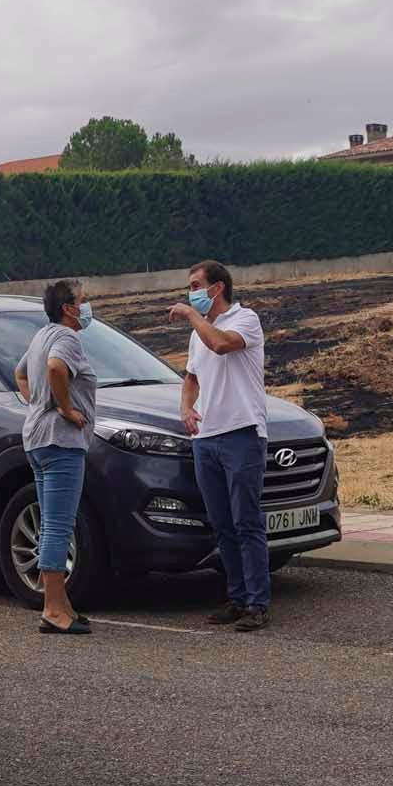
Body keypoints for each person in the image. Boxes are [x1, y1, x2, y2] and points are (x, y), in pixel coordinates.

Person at [168, 259, 272, 632]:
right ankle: (237, 596)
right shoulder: (199, 332)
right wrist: (186, 408)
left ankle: (258, 603)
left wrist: (192, 317)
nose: (190, 292)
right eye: (189, 286)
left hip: (242, 433)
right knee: (222, 523)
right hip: (206, 437)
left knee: (246, 520)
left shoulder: (245, 320)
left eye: (196, 285)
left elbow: (221, 345)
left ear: (217, 288)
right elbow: (192, 376)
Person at [14, 279, 97, 635]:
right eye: (84, 300)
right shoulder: (67, 338)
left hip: (36, 439)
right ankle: (52, 609)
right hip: (61, 442)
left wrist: (37, 404)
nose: (88, 305)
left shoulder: (40, 335)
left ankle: (62, 604)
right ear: (69, 308)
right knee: (58, 527)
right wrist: (64, 408)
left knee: (51, 523)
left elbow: (20, 373)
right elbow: (54, 368)